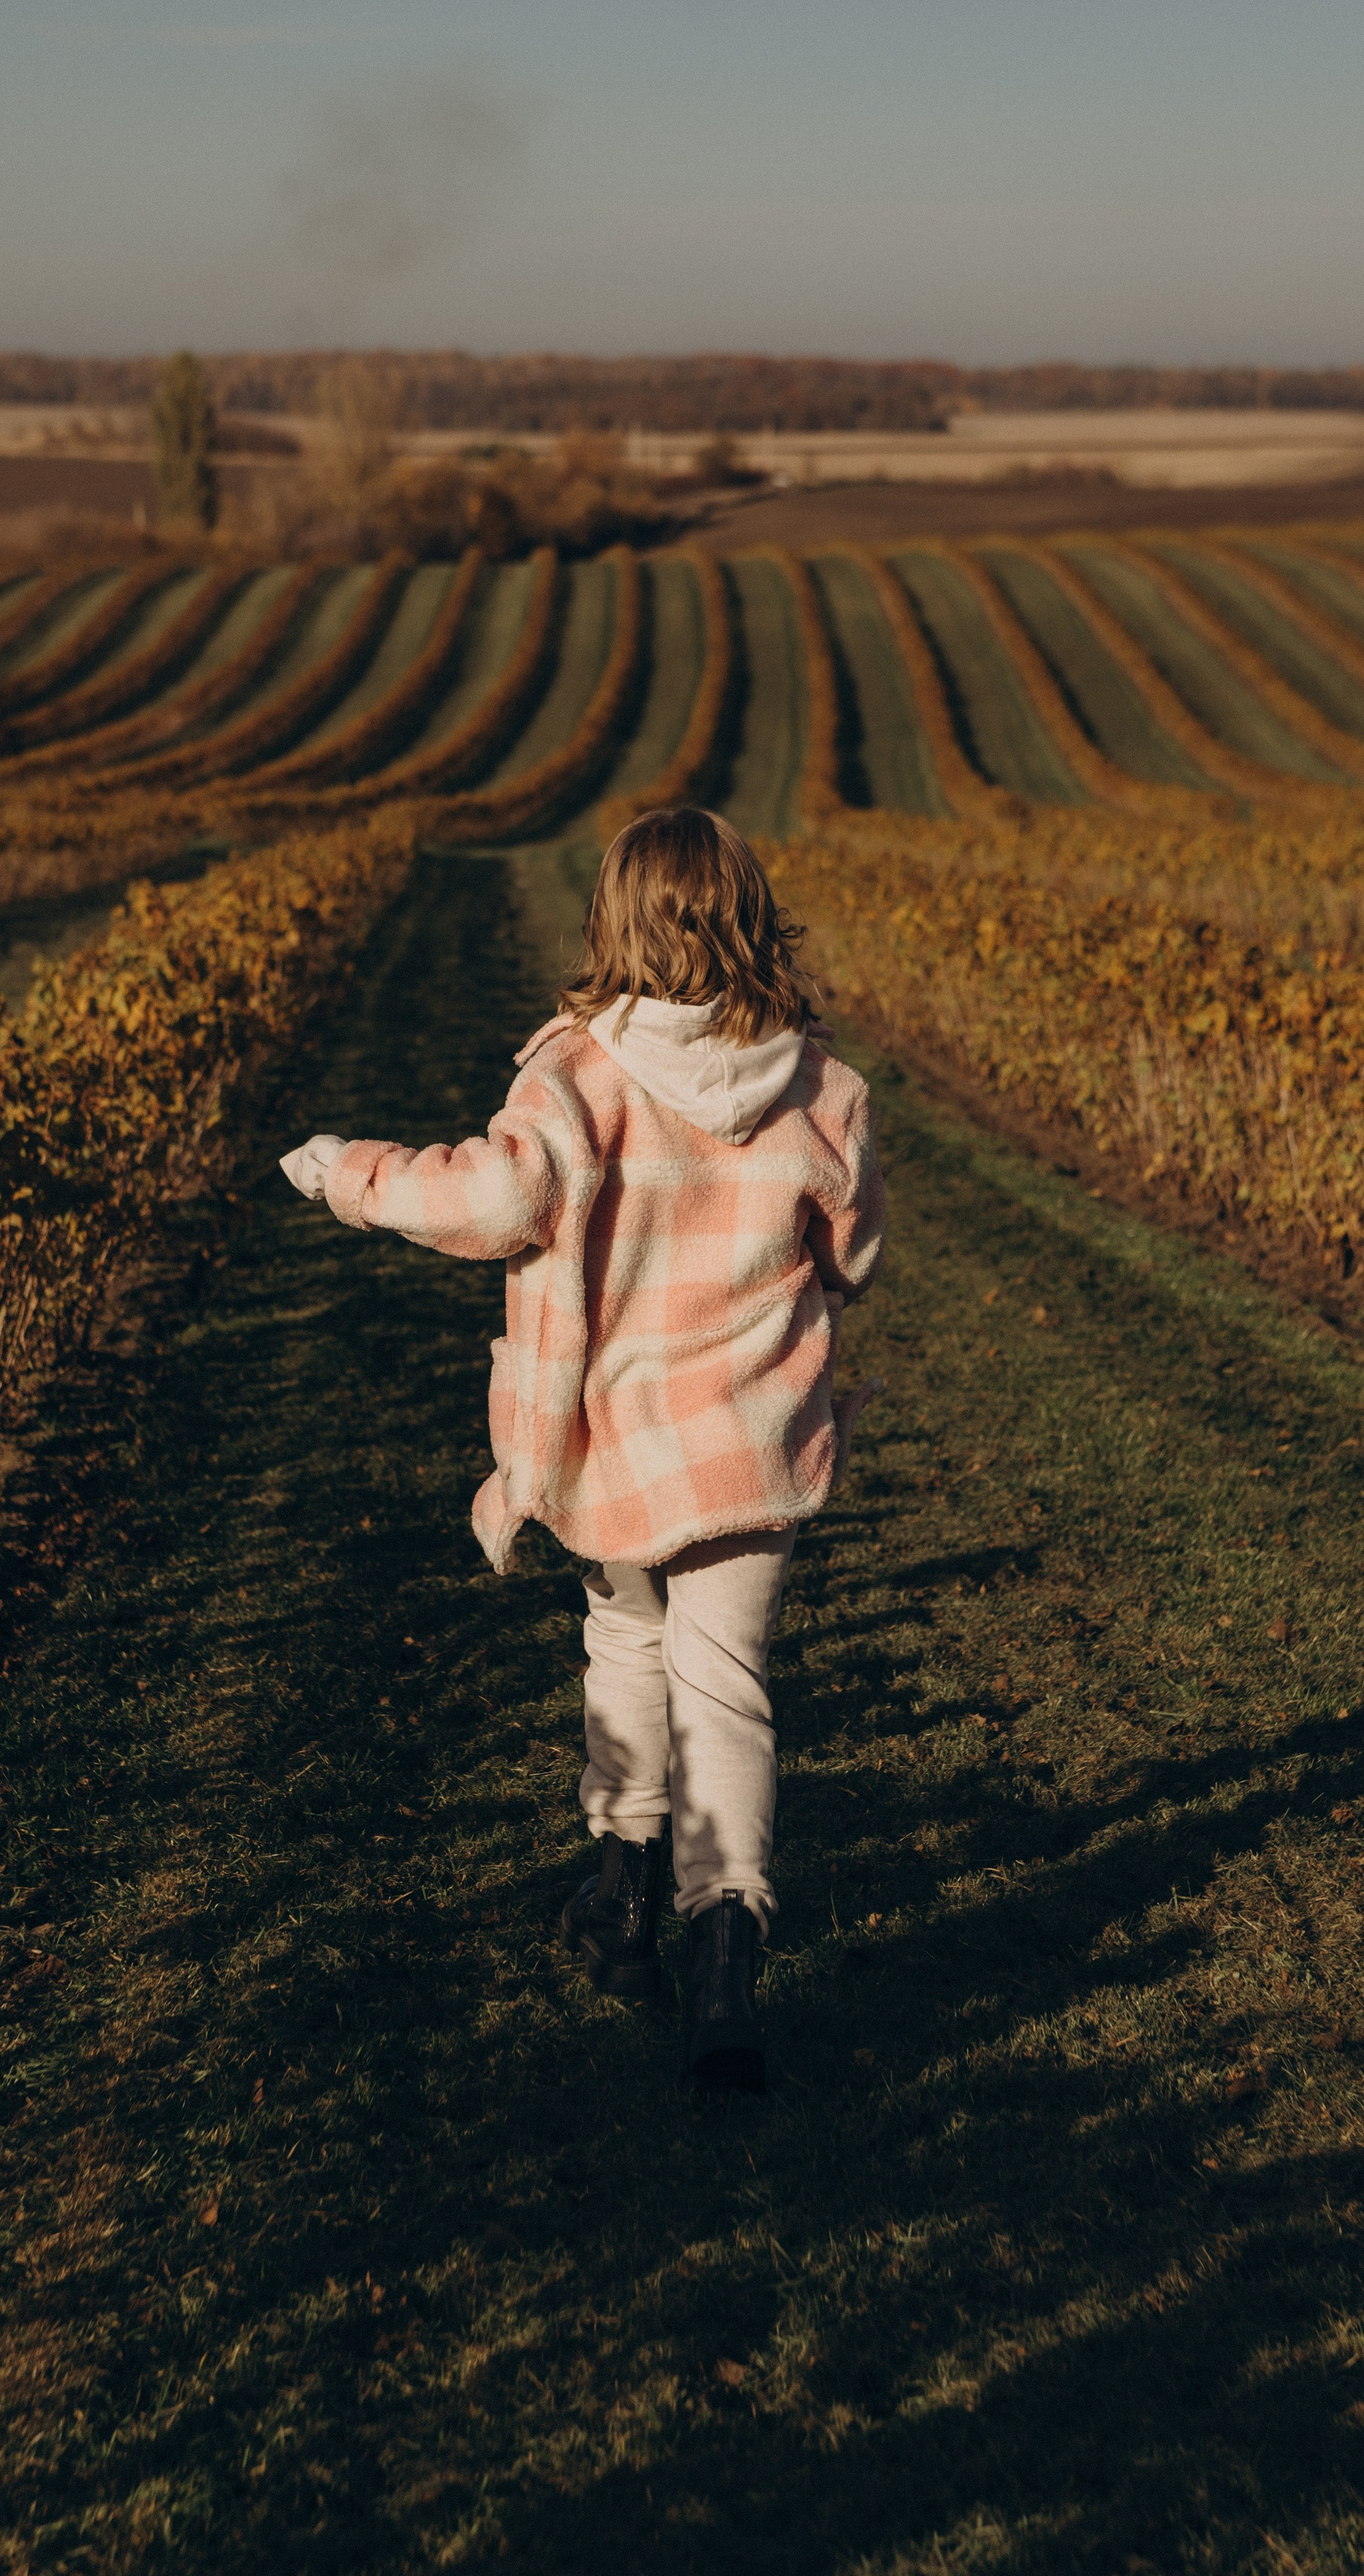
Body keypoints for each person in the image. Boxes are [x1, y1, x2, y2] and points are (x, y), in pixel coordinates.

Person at [281, 807, 885, 2091]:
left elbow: (493, 1199)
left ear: (613, 922)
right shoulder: (823, 1086)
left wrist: (352, 1174)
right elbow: (859, 1254)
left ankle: (620, 1902)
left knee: (623, 1642)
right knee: (728, 1688)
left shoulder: (577, 1075)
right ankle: (726, 1961)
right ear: (747, 915)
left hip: (613, 1449)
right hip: (755, 1444)